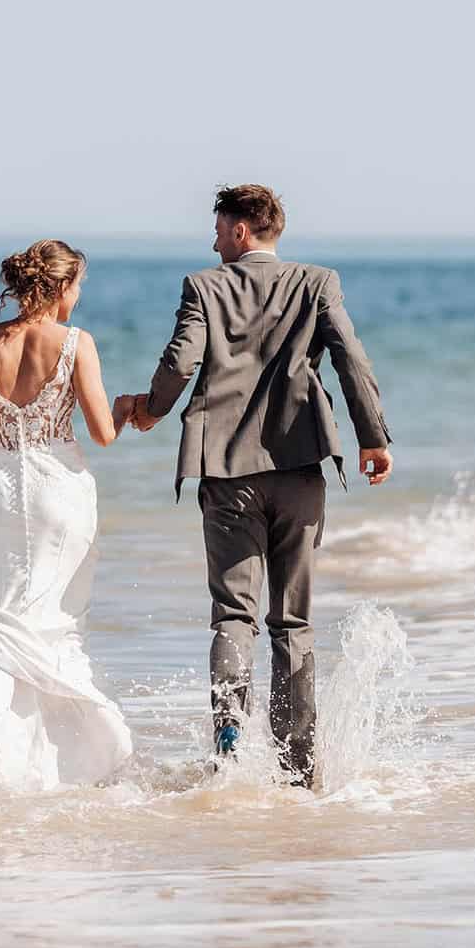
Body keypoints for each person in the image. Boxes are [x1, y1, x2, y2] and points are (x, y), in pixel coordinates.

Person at [125, 184, 393, 788]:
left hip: (224, 472)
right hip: (300, 469)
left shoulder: (204, 287)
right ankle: (298, 768)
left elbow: (180, 361)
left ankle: (227, 752)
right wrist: (372, 437)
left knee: (233, 616)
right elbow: (351, 358)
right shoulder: (317, 283)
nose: (214, 239)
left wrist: (150, 411)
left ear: (242, 230)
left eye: (219, 228)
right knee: (292, 623)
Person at [0, 240, 135, 788]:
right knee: (57, 624)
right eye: (79, 285)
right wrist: (123, 411)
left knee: (2, 623)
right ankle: (91, 756)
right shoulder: (76, 343)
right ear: (61, 286)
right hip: (58, 490)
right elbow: (103, 433)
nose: (80, 295)